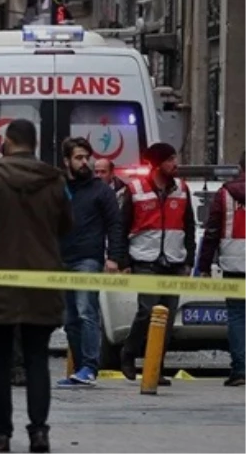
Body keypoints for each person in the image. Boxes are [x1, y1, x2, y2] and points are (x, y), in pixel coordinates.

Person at [0, 119, 70, 453]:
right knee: (38, 359)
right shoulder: (54, 181)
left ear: (6, 142)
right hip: (42, 281)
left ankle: (1, 433)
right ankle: (39, 433)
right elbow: (67, 224)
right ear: (34, 143)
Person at [117, 142, 195, 384]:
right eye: (171, 159)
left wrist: (189, 259)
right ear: (158, 163)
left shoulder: (182, 189)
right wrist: (122, 260)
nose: (176, 164)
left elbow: (189, 227)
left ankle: (155, 367)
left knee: (167, 318)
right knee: (147, 311)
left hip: (173, 261)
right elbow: (122, 226)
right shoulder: (136, 188)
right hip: (145, 260)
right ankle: (128, 354)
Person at [56, 138, 124, 387]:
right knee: (70, 317)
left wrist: (114, 257)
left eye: (87, 157)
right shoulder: (58, 187)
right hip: (60, 259)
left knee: (87, 312)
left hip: (87, 259)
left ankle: (89, 366)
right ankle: (79, 369)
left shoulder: (100, 190)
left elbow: (115, 224)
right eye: (78, 158)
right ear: (66, 161)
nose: (85, 162)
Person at [195, 149, 246, 387]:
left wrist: (203, 265)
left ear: (240, 168)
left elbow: (212, 231)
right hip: (234, 263)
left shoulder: (225, 194)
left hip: (234, 263)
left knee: (237, 316)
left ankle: (240, 370)